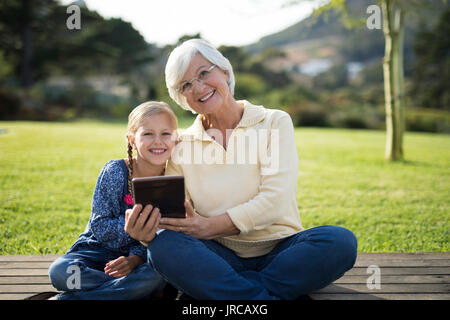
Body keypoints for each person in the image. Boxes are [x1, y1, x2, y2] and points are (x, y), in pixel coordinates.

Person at [125, 39, 358, 300]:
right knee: (163, 247)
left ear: (224, 71)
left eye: (204, 73)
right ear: (182, 98)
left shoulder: (274, 122)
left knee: (339, 242)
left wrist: (208, 227)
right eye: (186, 85)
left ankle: (226, 291)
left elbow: (275, 201)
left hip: (282, 249)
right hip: (218, 255)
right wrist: (146, 234)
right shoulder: (181, 144)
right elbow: (176, 219)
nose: (199, 87)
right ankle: (256, 294)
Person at [48, 101, 178, 300]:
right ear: (132, 140)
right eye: (148, 134)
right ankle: (126, 292)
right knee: (60, 272)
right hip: (96, 253)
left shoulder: (173, 179)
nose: (158, 141)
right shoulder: (115, 171)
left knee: (156, 276)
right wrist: (134, 224)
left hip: (140, 261)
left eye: (166, 134)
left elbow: (166, 232)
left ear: (175, 139)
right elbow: (99, 226)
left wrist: (134, 259)